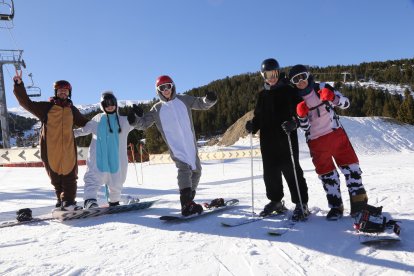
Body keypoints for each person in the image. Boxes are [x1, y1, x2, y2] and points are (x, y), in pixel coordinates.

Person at [287, 64, 368, 220]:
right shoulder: (296, 99)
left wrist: (333, 98)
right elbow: (304, 127)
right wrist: (302, 117)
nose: (301, 81)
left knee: (351, 170)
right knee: (328, 176)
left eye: (302, 76)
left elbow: (346, 103)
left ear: (308, 75)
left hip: (336, 135)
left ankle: (359, 205)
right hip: (316, 142)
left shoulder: (322, 87)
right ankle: (336, 207)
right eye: (296, 80)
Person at [130, 75, 217, 216]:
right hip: (176, 146)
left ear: (173, 86)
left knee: (197, 171)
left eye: (168, 86)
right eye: (162, 88)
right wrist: (135, 119)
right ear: (158, 90)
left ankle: (189, 199)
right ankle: (186, 204)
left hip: (190, 144)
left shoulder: (183, 99)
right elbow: (144, 123)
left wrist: (209, 100)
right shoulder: (157, 108)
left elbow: (200, 103)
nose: (166, 90)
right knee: (184, 170)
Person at [13, 70, 89, 211]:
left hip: (67, 147)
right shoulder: (46, 108)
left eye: (66, 91)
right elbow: (26, 103)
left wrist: (103, 123)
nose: (63, 93)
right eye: (60, 90)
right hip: (50, 147)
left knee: (70, 174)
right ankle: (61, 201)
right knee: (55, 175)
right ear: (55, 92)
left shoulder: (72, 110)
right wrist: (19, 85)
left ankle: (68, 202)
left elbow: (85, 123)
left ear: (69, 93)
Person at [245, 58, 309, 221]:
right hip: (267, 141)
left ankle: (301, 204)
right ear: (263, 75)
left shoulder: (289, 90)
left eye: (274, 73)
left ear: (278, 72)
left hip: (285, 137)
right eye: (268, 74)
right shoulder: (262, 95)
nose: (272, 77)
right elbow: (259, 116)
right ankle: (276, 201)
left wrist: (294, 123)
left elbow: (301, 112)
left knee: (292, 171)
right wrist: (253, 125)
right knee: (270, 173)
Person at [73, 91, 142, 208]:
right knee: (93, 177)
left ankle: (114, 201)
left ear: (116, 103)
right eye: (106, 104)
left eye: (112, 103)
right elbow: (83, 131)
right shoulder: (97, 119)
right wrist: (66, 134)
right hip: (99, 157)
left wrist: (136, 117)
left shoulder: (123, 120)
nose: (110, 106)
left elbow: (137, 124)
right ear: (102, 106)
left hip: (117, 158)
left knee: (117, 180)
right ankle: (90, 200)